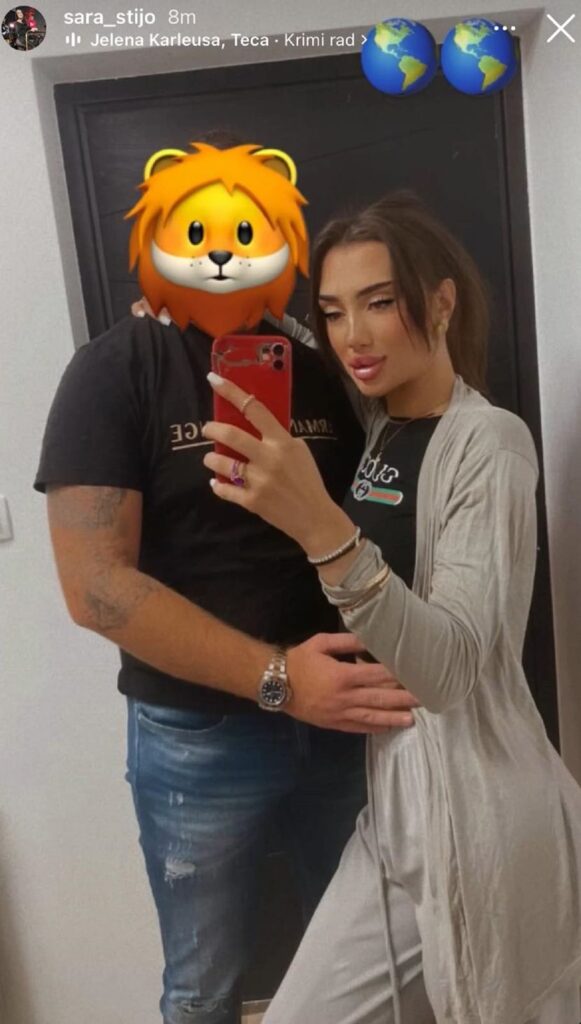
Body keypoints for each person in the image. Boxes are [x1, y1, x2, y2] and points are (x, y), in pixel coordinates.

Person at [33, 140, 420, 1024]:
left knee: (360, 961)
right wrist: (281, 681)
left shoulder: (319, 366)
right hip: (197, 737)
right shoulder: (115, 370)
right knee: (204, 983)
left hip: (343, 720)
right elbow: (95, 587)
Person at [202, 190, 581, 1024]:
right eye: (335, 311)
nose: (353, 336)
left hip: (480, 804)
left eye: (379, 302)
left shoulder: (490, 443)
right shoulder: (380, 423)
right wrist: (175, 314)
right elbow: (310, 341)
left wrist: (319, 526)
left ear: (441, 302)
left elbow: (448, 672)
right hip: (393, 801)